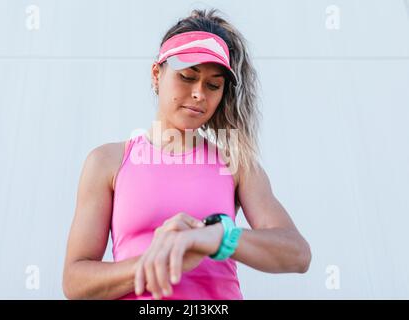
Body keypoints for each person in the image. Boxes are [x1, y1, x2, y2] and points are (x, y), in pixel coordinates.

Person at [62, 9, 311, 300]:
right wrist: (158, 261)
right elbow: (74, 281)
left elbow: (297, 253)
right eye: (187, 77)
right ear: (157, 74)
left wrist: (218, 236)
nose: (199, 94)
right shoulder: (108, 162)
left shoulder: (235, 164)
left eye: (213, 85)